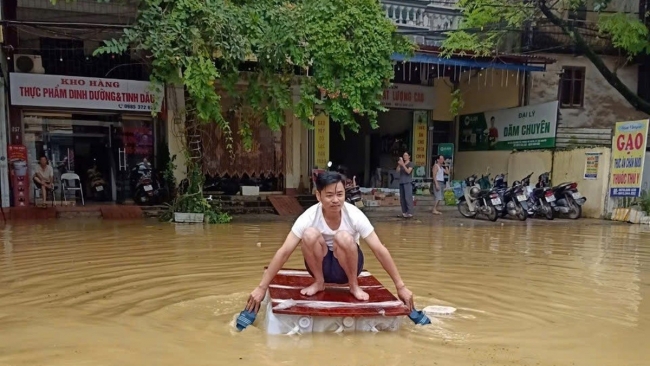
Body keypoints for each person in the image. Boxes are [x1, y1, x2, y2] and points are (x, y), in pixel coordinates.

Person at [245, 171, 414, 314]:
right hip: (322, 267)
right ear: (318, 196)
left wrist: (400, 286)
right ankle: (319, 283)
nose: (336, 200)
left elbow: (379, 249)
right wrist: (261, 287)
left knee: (343, 237)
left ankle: (354, 286)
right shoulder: (309, 217)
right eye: (329, 195)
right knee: (309, 234)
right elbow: (284, 252)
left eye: (340, 194)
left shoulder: (354, 215)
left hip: (347, 267)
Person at [396, 151, 414, 218]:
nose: (405, 157)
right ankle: (404, 212)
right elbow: (397, 170)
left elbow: (408, 171)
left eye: (406, 155)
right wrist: (399, 164)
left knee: (408, 197)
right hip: (401, 181)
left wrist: (403, 164)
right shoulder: (402, 163)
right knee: (402, 198)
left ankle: (410, 212)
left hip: (407, 182)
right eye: (404, 155)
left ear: (409, 156)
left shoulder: (411, 163)